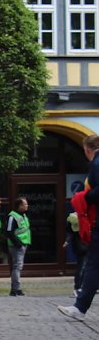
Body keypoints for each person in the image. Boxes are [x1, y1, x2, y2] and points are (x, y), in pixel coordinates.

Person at [59, 135, 99, 321]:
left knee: (93, 265)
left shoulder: (96, 163)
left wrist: (84, 197)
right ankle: (80, 307)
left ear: (87, 150)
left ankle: (80, 308)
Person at [5, 196, 30, 296]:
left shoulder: (23, 215)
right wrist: (18, 244)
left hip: (23, 244)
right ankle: (15, 289)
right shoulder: (12, 216)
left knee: (18, 266)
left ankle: (16, 288)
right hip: (16, 246)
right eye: (25, 204)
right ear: (19, 206)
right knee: (17, 266)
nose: (27, 206)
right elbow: (9, 232)